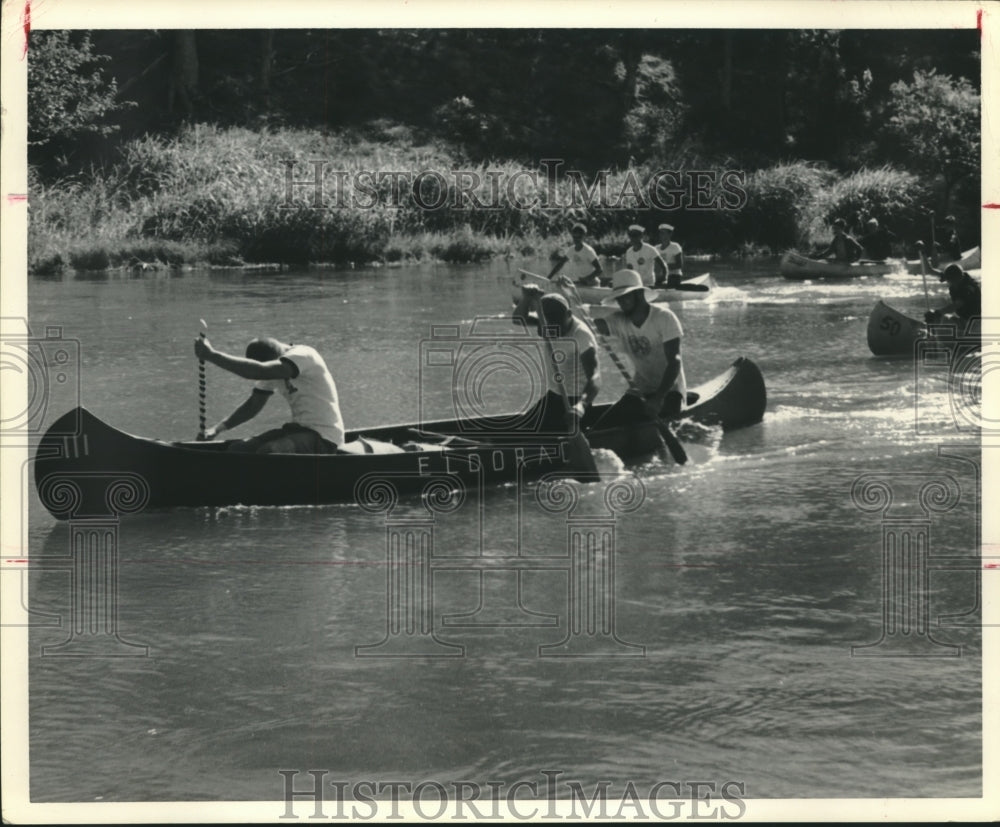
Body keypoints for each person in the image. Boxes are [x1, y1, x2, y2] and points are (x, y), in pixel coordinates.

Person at [193, 335, 345, 453]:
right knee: (238, 449)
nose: (266, 376)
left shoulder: (304, 355)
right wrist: (217, 429)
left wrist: (211, 355)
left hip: (324, 437)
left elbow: (259, 370)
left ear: (274, 360)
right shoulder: (274, 367)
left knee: (270, 451)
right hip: (296, 431)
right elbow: (253, 405)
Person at [593, 269, 686, 421]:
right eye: (619, 298)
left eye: (625, 297)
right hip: (640, 390)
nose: (621, 303)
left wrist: (658, 398)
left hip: (669, 391)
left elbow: (675, 361)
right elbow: (590, 325)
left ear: (639, 294)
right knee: (602, 425)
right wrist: (570, 297)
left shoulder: (664, 317)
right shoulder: (618, 320)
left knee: (649, 428)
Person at [512, 285, 600, 432]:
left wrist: (580, 406)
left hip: (574, 401)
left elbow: (595, 378)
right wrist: (526, 298)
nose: (552, 332)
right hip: (554, 394)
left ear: (569, 315)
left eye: (557, 326)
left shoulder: (581, 336)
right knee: (519, 429)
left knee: (527, 434)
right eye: (547, 327)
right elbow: (518, 319)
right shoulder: (545, 319)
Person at [916, 242, 981, 324]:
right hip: (963, 318)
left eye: (950, 282)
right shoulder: (953, 276)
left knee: (941, 317)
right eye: (949, 281)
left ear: (957, 279)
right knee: (940, 318)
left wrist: (937, 313)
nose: (949, 283)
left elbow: (956, 305)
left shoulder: (968, 287)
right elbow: (929, 271)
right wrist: (923, 253)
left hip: (974, 323)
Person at [654, 223, 684, 287]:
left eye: (663, 233)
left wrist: (663, 267)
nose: (661, 235)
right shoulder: (656, 248)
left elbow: (679, 265)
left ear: (670, 234)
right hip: (660, 276)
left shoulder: (675, 246)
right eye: (660, 233)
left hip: (674, 275)